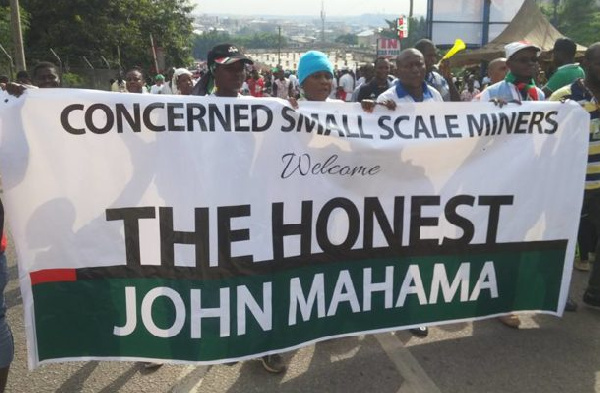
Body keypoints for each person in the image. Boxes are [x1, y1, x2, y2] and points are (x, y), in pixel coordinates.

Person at [549, 43, 600, 308]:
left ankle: (595, 292)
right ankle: (557, 292)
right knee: (562, 236)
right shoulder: (564, 97)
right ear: (588, 64)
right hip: (571, 181)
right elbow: (543, 135)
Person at [475, 41, 544, 104]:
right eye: (523, 60)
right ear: (509, 64)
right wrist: (490, 108)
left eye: (534, 59)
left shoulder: (539, 94)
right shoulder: (490, 93)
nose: (530, 63)